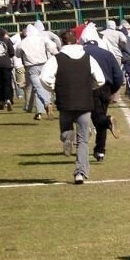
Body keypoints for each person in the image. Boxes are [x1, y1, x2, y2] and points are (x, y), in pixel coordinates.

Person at [40, 29, 105, 184]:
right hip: (84, 102)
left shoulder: (57, 59)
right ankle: (80, 173)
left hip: (65, 102)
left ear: (61, 42)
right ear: (77, 41)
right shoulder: (88, 58)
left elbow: (44, 78)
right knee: (83, 140)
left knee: (65, 131)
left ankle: (67, 138)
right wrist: (90, 87)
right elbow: (101, 79)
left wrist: (55, 88)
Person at [81, 35, 123, 162]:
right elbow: (118, 75)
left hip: (90, 86)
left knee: (97, 118)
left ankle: (108, 121)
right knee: (100, 117)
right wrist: (113, 91)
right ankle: (100, 151)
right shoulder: (107, 54)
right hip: (106, 87)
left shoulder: (81, 53)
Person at [15, 23, 58, 120]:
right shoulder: (42, 38)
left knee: (38, 88)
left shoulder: (23, 42)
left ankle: (46, 104)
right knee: (43, 87)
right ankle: (42, 109)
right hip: (44, 65)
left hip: (31, 67)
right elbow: (52, 46)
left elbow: (17, 54)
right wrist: (56, 54)